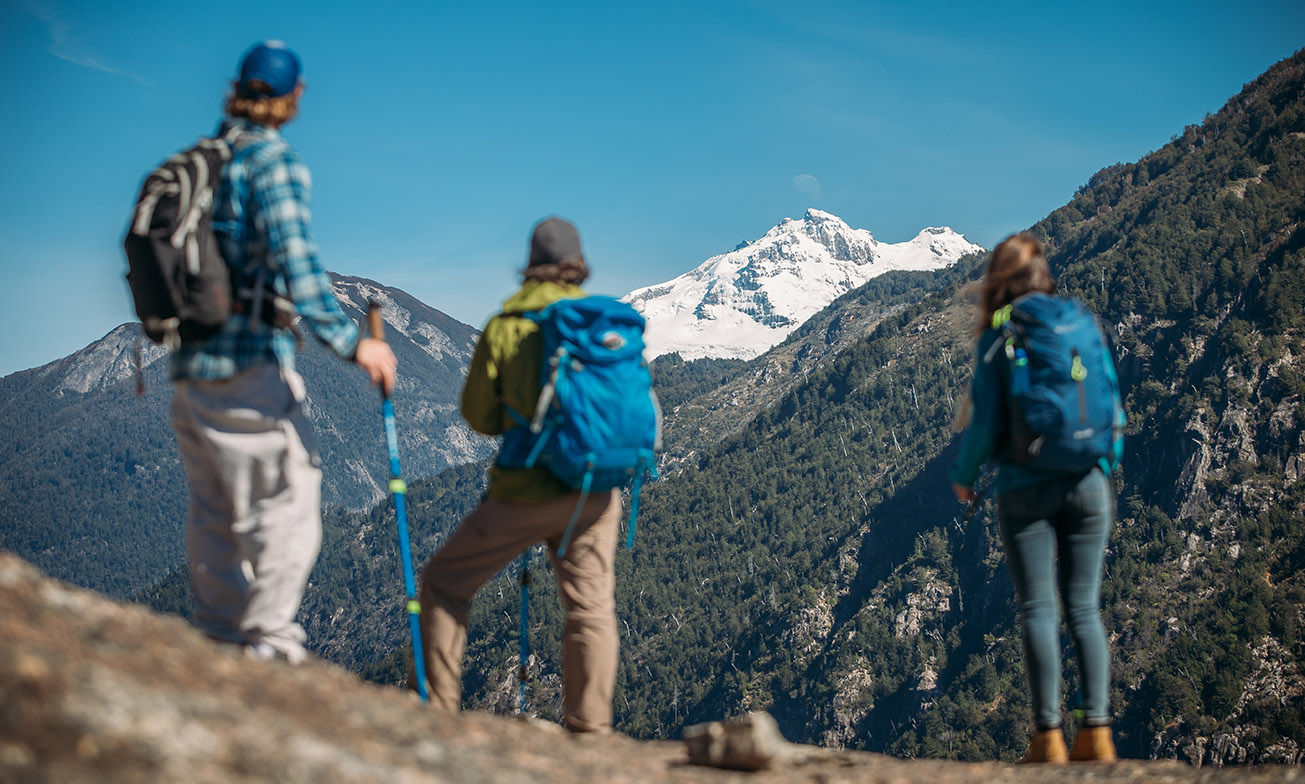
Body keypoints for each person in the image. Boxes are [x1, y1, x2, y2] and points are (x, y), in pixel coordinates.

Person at [170, 41, 396, 664]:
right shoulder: (273, 162)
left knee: (215, 508)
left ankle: (218, 634)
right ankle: (269, 645)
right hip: (249, 366)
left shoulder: (201, 161)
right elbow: (300, 267)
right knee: (292, 502)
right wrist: (358, 346)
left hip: (188, 367)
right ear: (293, 97)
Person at [416, 217, 622, 733]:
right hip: (595, 490)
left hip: (526, 492)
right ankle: (590, 736)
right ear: (578, 265)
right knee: (590, 608)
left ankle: (439, 716)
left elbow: (480, 418)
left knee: (444, 585)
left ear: (530, 265)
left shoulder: (508, 326)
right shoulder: (602, 327)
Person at [949, 233, 1123, 763]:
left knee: (1039, 609)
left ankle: (1047, 737)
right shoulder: (1080, 323)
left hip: (1024, 486)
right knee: (1085, 609)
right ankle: (1097, 731)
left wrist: (964, 476)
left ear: (998, 279)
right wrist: (1104, 465)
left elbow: (986, 425)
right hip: (1089, 481)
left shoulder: (1001, 333)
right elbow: (1112, 405)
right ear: (1044, 272)